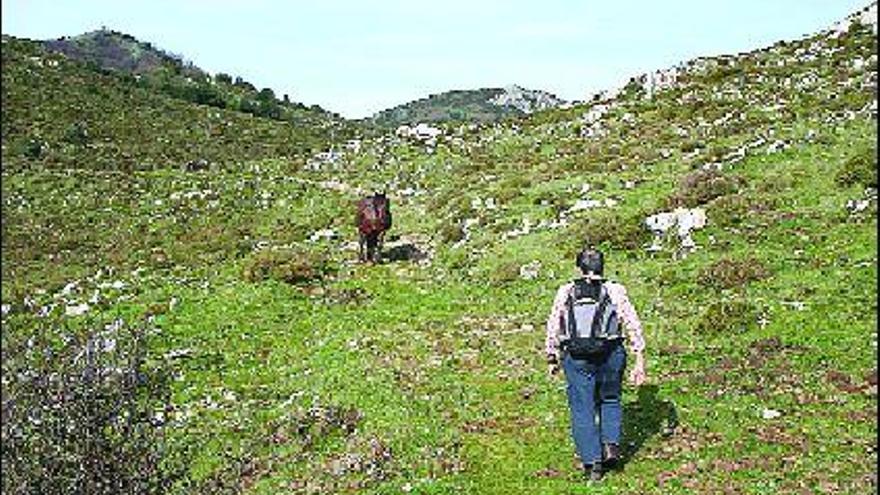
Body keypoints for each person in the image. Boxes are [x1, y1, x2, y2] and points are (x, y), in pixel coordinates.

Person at [545, 247, 646, 482]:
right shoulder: (615, 290)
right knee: (610, 398)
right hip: (611, 353)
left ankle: (593, 464)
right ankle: (610, 445)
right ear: (602, 266)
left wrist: (552, 356)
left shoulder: (566, 291)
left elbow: (554, 324)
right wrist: (639, 358)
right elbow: (631, 322)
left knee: (582, 408)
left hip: (577, 357)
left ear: (580, 267)